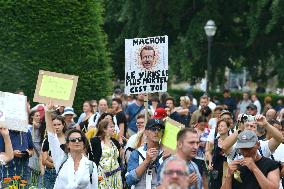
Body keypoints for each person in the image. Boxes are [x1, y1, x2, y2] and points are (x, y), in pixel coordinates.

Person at [45, 103, 98, 189]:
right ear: (68, 144)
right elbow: (51, 136)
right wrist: (47, 112)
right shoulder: (61, 159)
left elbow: (94, 187)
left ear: (84, 143)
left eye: (80, 139)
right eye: (73, 140)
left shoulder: (91, 165)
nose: (76, 141)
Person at [126, 119, 166, 188]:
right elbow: (129, 180)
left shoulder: (166, 153)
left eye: (159, 129)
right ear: (146, 132)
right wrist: (147, 161)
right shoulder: (137, 153)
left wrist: (163, 161)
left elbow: (168, 179)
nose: (157, 132)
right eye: (153, 129)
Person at [89, 118, 123, 189]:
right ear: (104, 129)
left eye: (114, 126)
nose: (114, 128)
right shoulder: (95, 141)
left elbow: (119, 158)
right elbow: (90, 157)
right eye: (111, 127)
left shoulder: (115, 141)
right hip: (102, 176)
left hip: (116, 175)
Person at [42, 115, 67, 189]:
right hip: (51, 173)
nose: (56, 127)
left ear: (63, 125)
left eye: (59, 124)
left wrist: (55, 161)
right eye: (54, 125)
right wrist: (58, 165)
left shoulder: (69, 139)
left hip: (66, 173)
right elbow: (44, 160)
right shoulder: (48, 140)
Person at [207, 119, 230, 189]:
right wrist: (210, 163)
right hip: (215, 170)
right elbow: (208, 152)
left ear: (228, 128)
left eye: (222, 126)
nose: (219, 128)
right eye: (218, 126)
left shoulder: (231, 141)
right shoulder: (214, 141)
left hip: (227, 169)